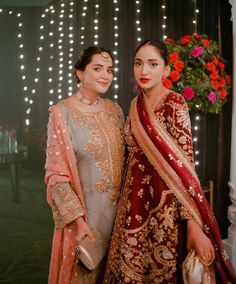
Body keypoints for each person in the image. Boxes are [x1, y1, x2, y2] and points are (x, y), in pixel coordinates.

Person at [103, 39, 236, 284]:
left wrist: (192, 225)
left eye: (153, 64)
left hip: (164, 206)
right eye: (138, 63)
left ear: (166, 70)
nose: (144, 71)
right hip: (132, 203)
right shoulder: (134, 106)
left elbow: (186, 167)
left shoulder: (175, 103)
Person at [44, 46, 125, 284]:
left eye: (109, 70)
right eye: (97, 68)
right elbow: (56, 176)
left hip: (119, 219)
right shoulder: (61, 113)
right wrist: (78, 223)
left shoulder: (115, 110)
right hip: (87, 222)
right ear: (79, 72)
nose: (106, 75)